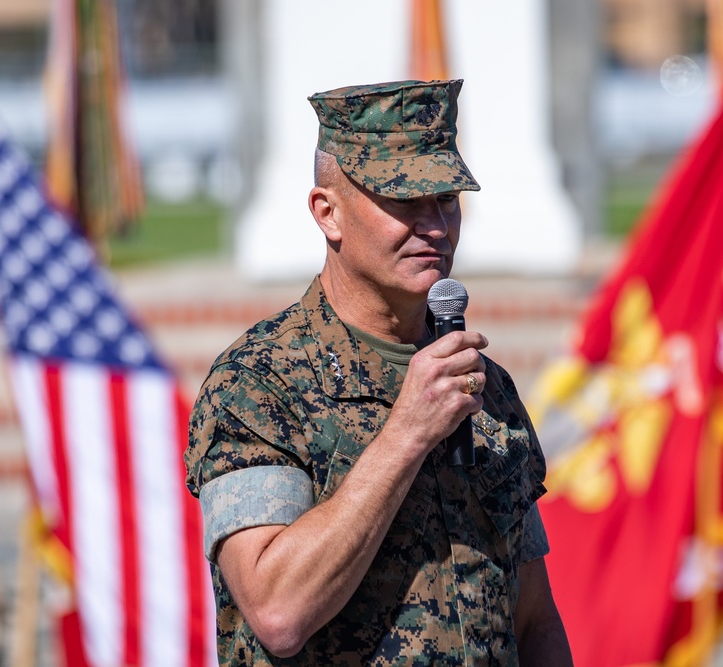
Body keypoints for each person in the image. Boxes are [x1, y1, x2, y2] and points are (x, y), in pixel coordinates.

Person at [185, 79, 573, 666]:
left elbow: (534, 617)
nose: (436, 226)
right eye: (405, 201)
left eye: (446, 198)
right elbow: (278, 612)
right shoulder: (258, 384)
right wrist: (407, 434)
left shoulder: (483, 386)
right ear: (328, 212)